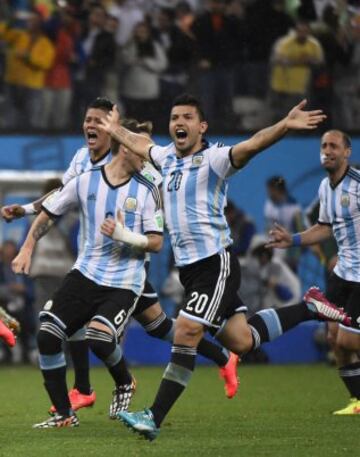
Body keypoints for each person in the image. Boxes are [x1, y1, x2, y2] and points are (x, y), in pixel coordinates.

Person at [99, 94, 349, 440]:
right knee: (242, 340)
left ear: (202, 127)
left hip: (215, 264)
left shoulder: (215, 159)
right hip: (191, 271)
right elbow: (143, 144)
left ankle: (153, 417)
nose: (179, 123)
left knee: (186, 331)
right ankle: (309, 307)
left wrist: (284, 126)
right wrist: (116, 130)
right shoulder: (166, 157)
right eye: (174, 117)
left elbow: (253, 144)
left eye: (187, 117)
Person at [3, 99, 239, 413]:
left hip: (127, 269)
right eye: (89, 121)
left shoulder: (147, 178)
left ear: (113, 133)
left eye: (99, 122)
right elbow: (62, 193)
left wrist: (127, 233)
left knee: (116, 330)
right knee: (151, 326)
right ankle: (221, 357)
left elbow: (157, 229)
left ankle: (93, 387)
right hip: (90, 264)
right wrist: (28, 209)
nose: (92, 127)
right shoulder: (82, 162)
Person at [12, 119, 164, 428]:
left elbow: (157, 242)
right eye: (142, 149)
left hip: (125, 280)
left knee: (98, 336)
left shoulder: (149, 188)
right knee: (47, 334)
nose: (148, 156)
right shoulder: (86, 181)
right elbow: (51, 210)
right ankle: (65, 414)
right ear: (124, 147)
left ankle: (124, 381)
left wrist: (125, 236)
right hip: (87, 272)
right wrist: (27, 246)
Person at [267, 129, 360, 415]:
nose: (328, 150)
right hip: (343, 273)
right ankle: (358, 401)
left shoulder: (357, 184)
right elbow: (324, 227)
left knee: (348, 340)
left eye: (334, 146)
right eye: (324, 145)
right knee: (334, 340)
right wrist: (293, 239)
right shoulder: (324, 188)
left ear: (347, 152)